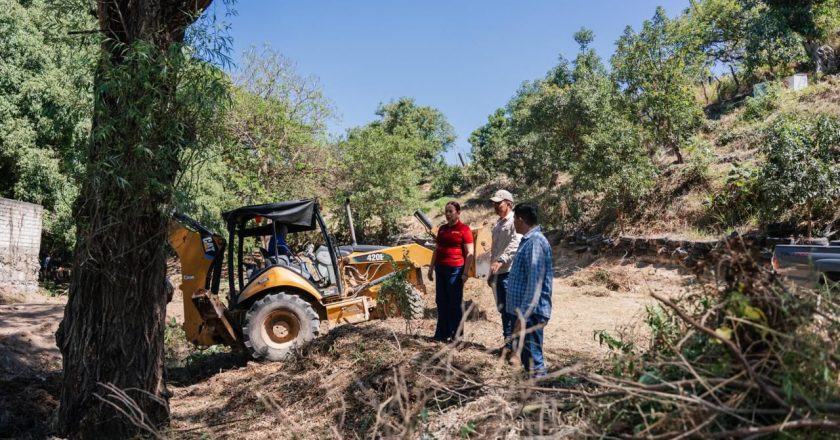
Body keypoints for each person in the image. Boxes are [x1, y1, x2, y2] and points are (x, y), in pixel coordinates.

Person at [506, 202, 553, 378]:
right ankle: (535, 397)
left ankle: (542, 399)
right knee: (528, 360)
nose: (513, 224)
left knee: (534, 361)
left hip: (530, 314)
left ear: (520, 219)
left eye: (514, 220)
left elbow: (534, 285)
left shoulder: (535, 243)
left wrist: (522, 317)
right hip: (526, 313)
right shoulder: (528, 241)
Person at [427, 201, 474, 342]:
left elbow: (469, 252)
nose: (447, 214)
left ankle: (457, 336)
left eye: (450, 211)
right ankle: (442, 334)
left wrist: (465, 273)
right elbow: (436, 249)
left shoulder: (464, 230)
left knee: (454, 303)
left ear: (458, 213)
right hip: (440, 269)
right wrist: (431, 268)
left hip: (456, 270)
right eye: (446, 211)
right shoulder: (442, 229)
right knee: (441, 301)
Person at [488, 190, 521, 358]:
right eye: (494, 204)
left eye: (498, 204)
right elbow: (494, 250)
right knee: (503, 309)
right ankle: (508, 344)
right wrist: (491, 272)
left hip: (509, 272)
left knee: (511, 310)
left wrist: (500, 261)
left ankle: (514, 346)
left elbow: (515, 244)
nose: (495, 206)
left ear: (508, 203)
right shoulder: (499, 223)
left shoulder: (515, 221)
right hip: (498, 273)